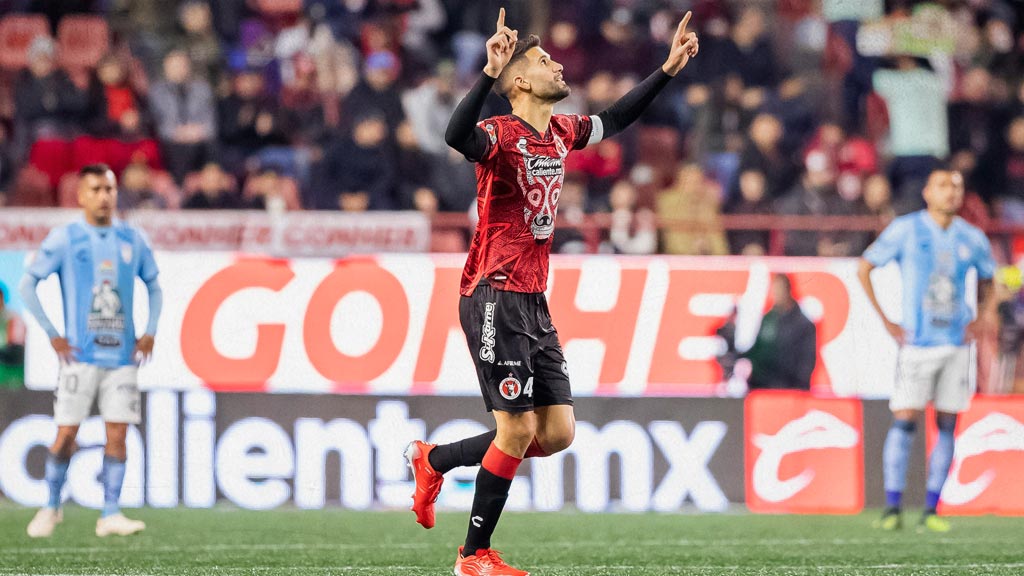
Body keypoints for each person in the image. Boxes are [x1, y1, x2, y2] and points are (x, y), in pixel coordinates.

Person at [404, 8, 699, 576]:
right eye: (543, 61)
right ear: (519, 82)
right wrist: (486, 74)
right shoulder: (499, 134)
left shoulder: (562, 132)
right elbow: (454, 135)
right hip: (493, 292)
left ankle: (433, 459)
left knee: (555, 433)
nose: (556, 64)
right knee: (516, 430)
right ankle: (473, 557)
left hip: (533, 297)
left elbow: (615, 117)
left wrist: (665, 71)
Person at [20, 164, 162, 538]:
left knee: (118, 434)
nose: (104, 196)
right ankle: (51, 507)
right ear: (81, 195)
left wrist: (149, 331)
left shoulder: (132, 239)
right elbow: (27, 286)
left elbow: (155, 286)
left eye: (110, 189)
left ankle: (110, 513)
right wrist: (53, 334)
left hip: (121, 359)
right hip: (79, 358)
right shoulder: (66, 238)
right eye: (96, 189)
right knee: (66, 434)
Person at [858, 169, 995, 533]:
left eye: (957, 187)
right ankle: (892, 508)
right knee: (905, 420)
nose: (951, 193)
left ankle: (931, 510)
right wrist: (888, 321)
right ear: (926, 191)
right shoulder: (906, 229)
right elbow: (865, 267)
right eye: (943, 186)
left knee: (948, 425)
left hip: (955, 345)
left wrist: (981, 318)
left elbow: (988, 278)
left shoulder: (972, 237)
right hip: (917, 345)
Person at [744, 274, 817, 391]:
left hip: (791, 388)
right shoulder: (768, 319)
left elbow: (807, 361)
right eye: (774, 290)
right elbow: (758, 350)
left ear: (788, 290)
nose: (776, 294)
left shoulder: (803, 324)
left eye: (779, 289)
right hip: (765, 386)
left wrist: (798, 387)